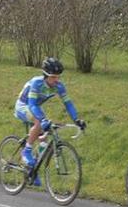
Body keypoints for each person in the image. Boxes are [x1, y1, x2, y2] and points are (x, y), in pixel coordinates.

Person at [14, 57, 86, 186]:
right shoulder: (37, 83)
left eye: (58, 77)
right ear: (46, 75)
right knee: (39, 122)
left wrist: (76, 119)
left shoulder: (59, 86)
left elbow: (68, 104)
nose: (56, 80)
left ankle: (32, 169)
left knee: (44, 140)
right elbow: (32, 104)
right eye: (53, 77)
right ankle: (27, 150)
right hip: (24, 106)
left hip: (35, 108)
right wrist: (42, 120)